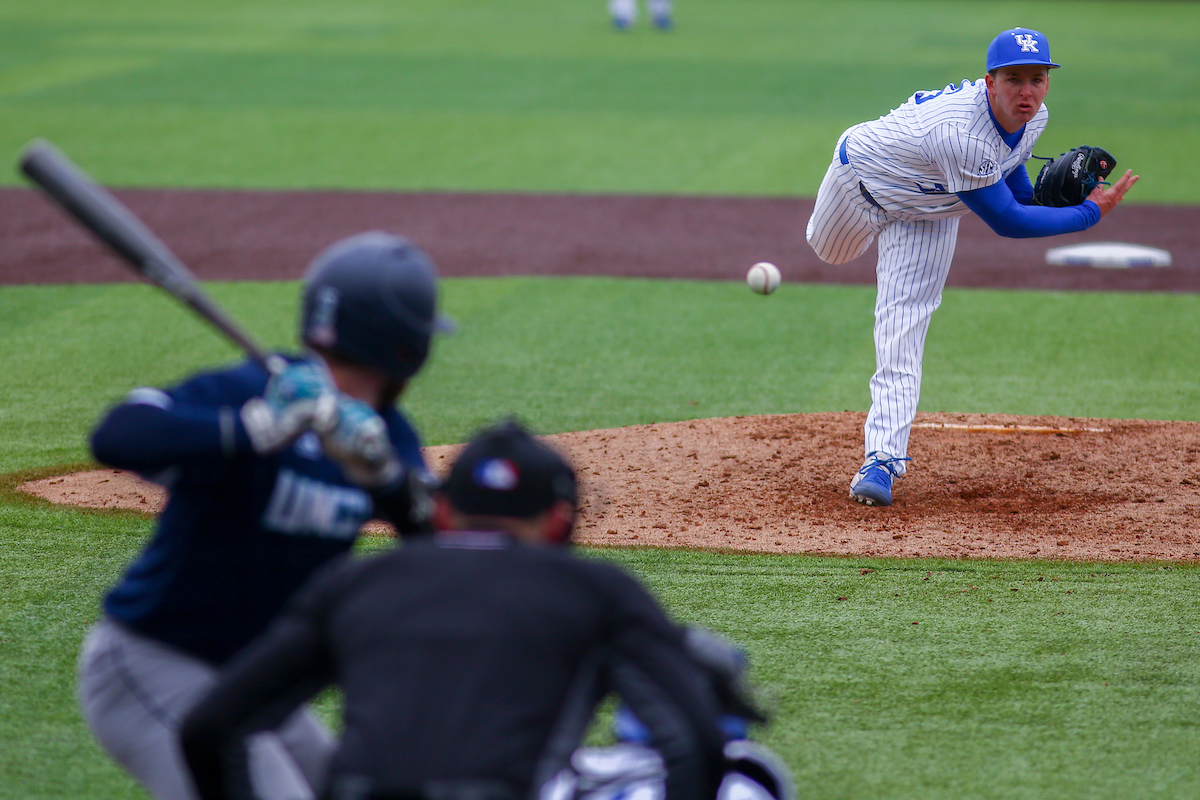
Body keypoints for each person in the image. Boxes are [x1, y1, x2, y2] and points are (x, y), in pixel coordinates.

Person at [180, 420, 787, 800]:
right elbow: (694, 742)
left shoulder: (356, 581)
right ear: (559, 522)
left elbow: (208, 728)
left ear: (443, 513)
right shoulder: (595, 590)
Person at [77, 231, 453, 800]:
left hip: (249, 680)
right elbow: (116, 435)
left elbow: (436, 543)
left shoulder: (386, 433)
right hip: (156, 663)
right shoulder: (254, 390)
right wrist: (253, 428)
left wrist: (385, 478)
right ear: (408, 347)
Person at [805, 27, 1139, 507]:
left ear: (1047, 82)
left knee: (904, 325)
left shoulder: (1036, 118)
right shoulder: (960, 133)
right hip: (860, 183)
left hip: (932, 213)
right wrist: (1088, 214)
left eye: (1037, 79)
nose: (1026, 92)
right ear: (990, 82)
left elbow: (1012, 176)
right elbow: (1008, 220)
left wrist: (1055, 200)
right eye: (1014, 79)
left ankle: (881, 461)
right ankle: (881, 456)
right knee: (829, 251)